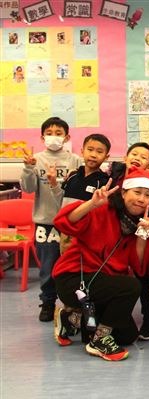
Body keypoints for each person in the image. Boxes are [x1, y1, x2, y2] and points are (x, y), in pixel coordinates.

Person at [51, 167, 149, 361]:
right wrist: (91, 204)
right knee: (131, 286)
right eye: (137, 192)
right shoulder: (103, 208)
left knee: (127, 335)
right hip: (75, 279)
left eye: (148, 195)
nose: (141, 199)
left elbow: (137, 265)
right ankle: (99, 340)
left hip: (102, 287)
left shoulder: (140, 224)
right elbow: (63, 222)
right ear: (124, 192)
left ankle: (70, 319)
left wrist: (142, 235)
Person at [21, 117, 83, 322]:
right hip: (46, 223)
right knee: (47, 268)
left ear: (67, 137)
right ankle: (48, 302)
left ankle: (73, 305)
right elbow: (28, 188)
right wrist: (28, 168)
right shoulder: (36, 159)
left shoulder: (75, 160)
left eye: (58, 133)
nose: (53, 136)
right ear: (42, 137)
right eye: (49, 133)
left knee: (72, 266)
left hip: (71, 223)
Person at [107, 141, 149, 340]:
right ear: (125, 157)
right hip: (114, 242)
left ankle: (147, 318)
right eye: (134, 154)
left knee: (142, 277)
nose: (137, 158)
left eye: (144, 157)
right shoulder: (111, 179)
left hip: (139, 236)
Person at [59, 133, 112, 253]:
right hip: (66, 231)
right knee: (66, 261)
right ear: (82, 151)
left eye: (99, 152)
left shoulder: (104, 182)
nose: (93, 155)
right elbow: (61, 200)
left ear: (106, 156)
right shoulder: (72, 175)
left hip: (88, 233)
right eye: (90, 149)